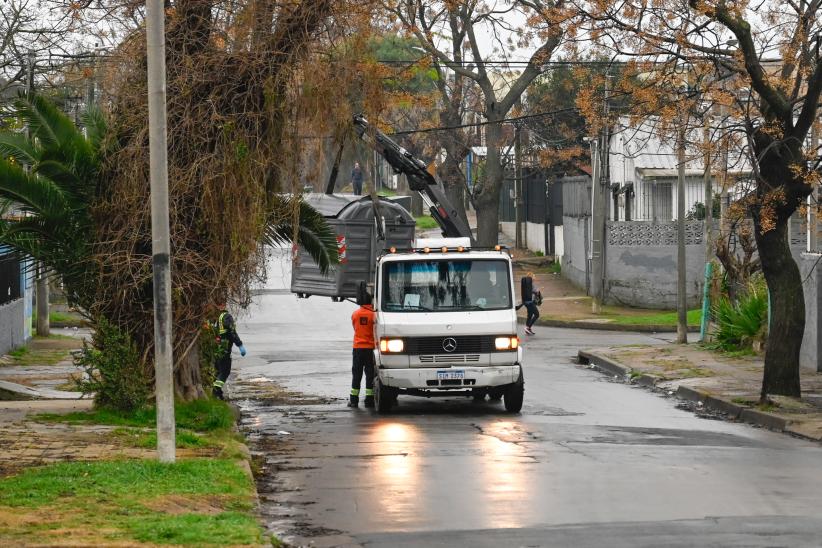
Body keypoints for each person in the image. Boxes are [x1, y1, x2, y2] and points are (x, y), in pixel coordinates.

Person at [211, 301, 246, 400]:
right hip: (224, 348)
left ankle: (218, 393)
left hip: (214, 348)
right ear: (222, 305)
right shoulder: (226, 317)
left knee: (218, 371)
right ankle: (216, 389)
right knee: (225, 371)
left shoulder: (213, 318)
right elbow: (232, 332)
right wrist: (240, 345)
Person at [349, 293, 376, 408]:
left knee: (356, 373)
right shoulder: (374, 315)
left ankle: (354, 400)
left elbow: (355, 328)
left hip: (358, 348)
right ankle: (369, 400)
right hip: (370, 349)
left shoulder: (355, 314)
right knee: (370, 374)